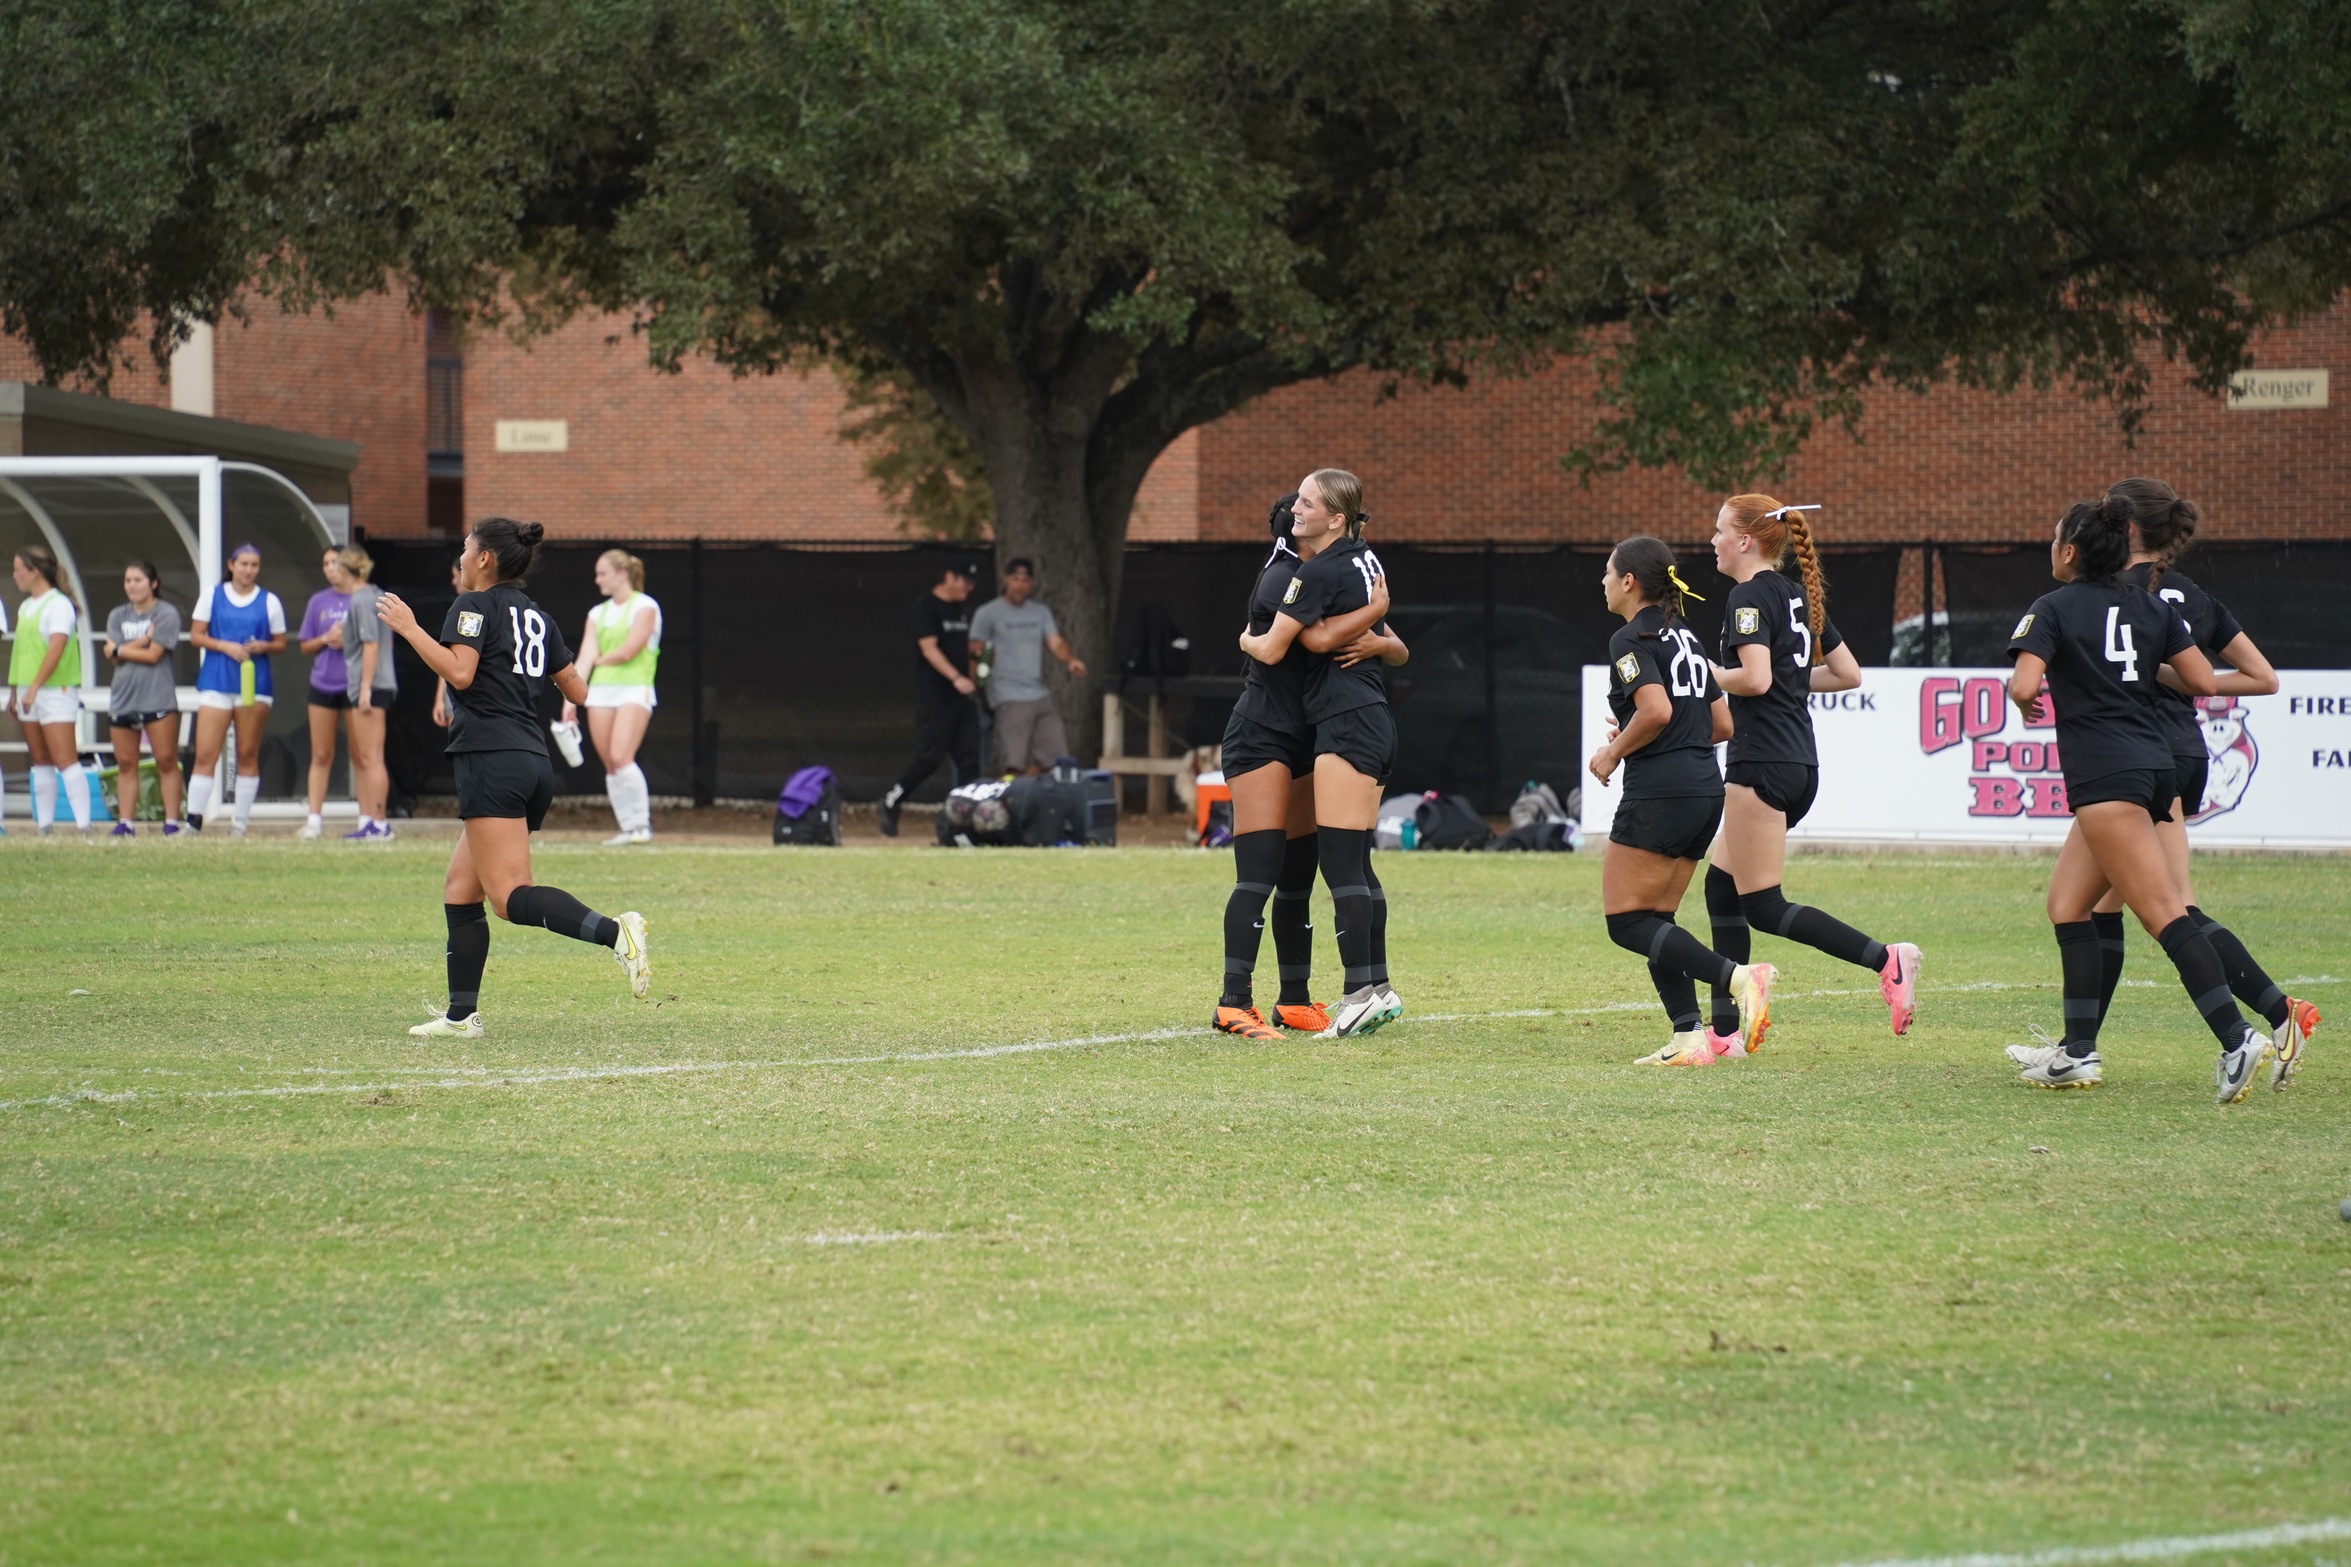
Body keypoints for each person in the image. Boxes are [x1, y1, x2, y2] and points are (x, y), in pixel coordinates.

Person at [2035, 477, 2317, 1089]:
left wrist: (2139, 678)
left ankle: (2271, 1015)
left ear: (2124, 530)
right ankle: (2076, 1044)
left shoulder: (2106, 594)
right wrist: (2169, 676)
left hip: (2131, 758)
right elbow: (2262, 678)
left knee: (2165, 906)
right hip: (2178, 754)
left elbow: (2102, 665)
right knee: (2092, 903)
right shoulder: (2186, 593)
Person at [374, 517, 650, 1038]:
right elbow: (579, 692)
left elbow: (460, 672)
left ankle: (617, 934)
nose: (460, 557)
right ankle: (461, 1018)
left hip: (493, 757)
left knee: (507, 897)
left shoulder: (472, 605)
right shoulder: (537, 616)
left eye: (464, 548)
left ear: (484, 559)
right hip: (530, 760)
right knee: (461, 889)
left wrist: (410, 628)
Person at [1703, 495, 1921, 1052]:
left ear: (1746, 540)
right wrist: (1788, 681)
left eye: (1720, 530)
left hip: (1762, 761)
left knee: (1765, 907)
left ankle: (1886, 959)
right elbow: (1847, 673)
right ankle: (1727, 1030)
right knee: (1721, 886)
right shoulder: (1796, 596)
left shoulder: (1747, 596)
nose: (1713, 540)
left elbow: (1752, 680)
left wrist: (1705, 674)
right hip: (1797, 761)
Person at [1211, 493, 1394, 1040]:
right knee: (1260, 870)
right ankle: (1232, 1002)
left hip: (1307, 739)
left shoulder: (1324, 574)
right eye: (1300, 513)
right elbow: (1286, 645)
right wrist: (1375, 612)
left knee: (1298, 875)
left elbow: (1376, 643)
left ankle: (1292, 999)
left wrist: (1380, 634)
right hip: (1262, 734)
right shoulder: (1286, 578)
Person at [1586, 536, 1772, 1067]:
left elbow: (1657, 710)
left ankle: (1739, 977)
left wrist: (1613, 752)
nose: (1601, 582)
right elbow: (1721, 724)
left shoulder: (1629, 638)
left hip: (1661, 792)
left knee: (1627, 922)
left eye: (1607, 572)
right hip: (1702, 788)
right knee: (1658, 917)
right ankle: (1690, 1037)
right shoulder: (1685, 637)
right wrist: (1644, 730)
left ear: (1628, 582)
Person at [561, 548, 662, 846]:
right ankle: (628, 827)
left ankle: (642, 825)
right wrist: (570, 701)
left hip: (634, 688)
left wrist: (597, 660)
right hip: (600, 692)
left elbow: (629, 650)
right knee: (610, 763)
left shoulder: (645, 607)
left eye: (603, 573)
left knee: (622, 756)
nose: (597, 580)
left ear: (621, 574)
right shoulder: (597, 613)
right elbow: (584, 658)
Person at [187, 543, 287, 836]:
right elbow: (196, 635)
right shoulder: (213, 595)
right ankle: (193, 821)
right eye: (243, 564)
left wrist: (263, 646)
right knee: (206, 751)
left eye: (254, 565)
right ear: (231, 565)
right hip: (216, 680)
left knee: (247, 751)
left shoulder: (269, 601)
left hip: (254, 684)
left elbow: (281, 643)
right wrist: (224, 646)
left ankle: (240, 823)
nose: (248, 570)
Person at [876, 560, 981, 837]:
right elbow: (929, 649)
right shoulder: (925, 608)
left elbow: (965, 649)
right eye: (965, 582)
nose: (969, 589)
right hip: (937, 697)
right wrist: (955, 678)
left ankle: (966, 819)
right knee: (930, 756)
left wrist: (973, 675)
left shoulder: (959, 611)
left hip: (963, 698)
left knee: (969, 758)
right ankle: (892, 800)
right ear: (949, 576)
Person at [968, 558, 1086, 774]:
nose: (1020, 585)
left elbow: (1055, 641)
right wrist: (975, 691)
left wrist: (1071, 660)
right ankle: (1009, 803)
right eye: (1015, 579)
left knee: (1056, 760)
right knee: (1015, 763)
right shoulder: (988, 613)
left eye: (1025, 580)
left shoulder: (1040, 612)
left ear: (1031, 583)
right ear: (1005, 580)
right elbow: (975, 651)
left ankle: (1027, 797)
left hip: (1039, 693)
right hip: (1008, 695)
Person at [7, 544, 93, 834]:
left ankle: (84, 826)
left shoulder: (58, 605)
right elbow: (22, 653)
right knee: (40, 759)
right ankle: (44, 826)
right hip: (28, 692)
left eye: (19, 569)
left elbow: (55, 649)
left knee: (65, 759)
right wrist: (15, 691)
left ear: (34, 572)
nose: (14, 574)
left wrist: (34, 688)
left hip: (56, 692)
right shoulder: (26, 606)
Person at [100, 561, 186, 836]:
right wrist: (137, 643)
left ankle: (171, 823)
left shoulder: (165, 613)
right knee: (126, 763)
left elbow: (153, 655)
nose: (132, 586)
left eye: (138, 580)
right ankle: (126, 823)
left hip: (157, 697)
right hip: (123, 697)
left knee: (166, 760)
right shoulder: (117, 615)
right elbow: (110, 656)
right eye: (128, 581)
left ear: (153, 583)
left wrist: (120, 650)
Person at [338, 546, 398, 841]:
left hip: (371, 686)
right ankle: (370, 821)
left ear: (343, 570)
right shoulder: (375, 593)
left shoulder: (362, 599)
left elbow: (371, 644)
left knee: (372, 756)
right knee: (365, 756)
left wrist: (364, 689)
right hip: (376, 683)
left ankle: (380, 822)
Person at [296, 548, 355, 839]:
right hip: (322, 684)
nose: (330, 569)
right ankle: (314, 821)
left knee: (361, 754)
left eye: (335, 562)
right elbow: (305, 645)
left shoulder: (363, 597)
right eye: (326, 564)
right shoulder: (318, 601)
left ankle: (370, 820)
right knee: (321, 754)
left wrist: (350, 640)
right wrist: (325, 638)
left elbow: (381, 643)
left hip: (355, 686)